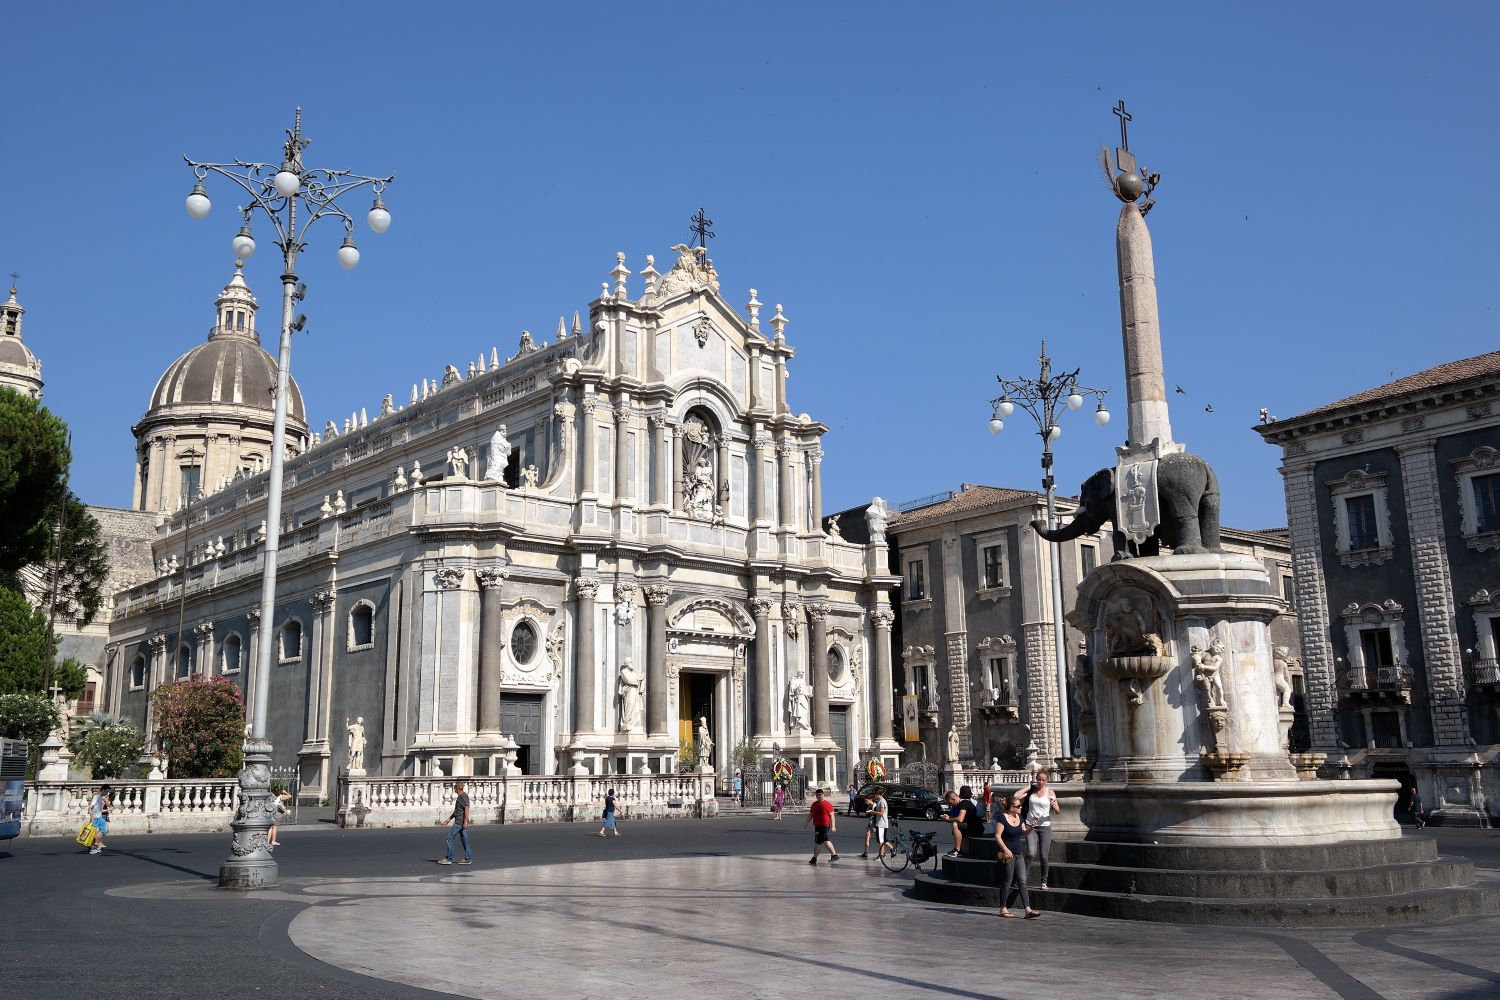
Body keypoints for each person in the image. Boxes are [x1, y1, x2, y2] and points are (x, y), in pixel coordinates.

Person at [995, 793, 1039, 918]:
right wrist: (1005, 849)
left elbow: (1024, 833)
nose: (1020, 807)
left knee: (1022, 880)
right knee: (1007, 881)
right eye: (1018, 806)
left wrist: (1031, 828)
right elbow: (997, 836)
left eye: (1020, 805)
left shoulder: (1020, 817)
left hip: (1018, 854)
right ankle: (1003, 908)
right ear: (1011, 808)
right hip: (1007, 854)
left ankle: (1028, 909)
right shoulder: (1002, 818)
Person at [1023, 769, 1061, 890]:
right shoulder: (1032, 791)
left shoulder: (1050, 793)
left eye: (1043, 780)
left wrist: (1055, 807)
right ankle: (1022, 877)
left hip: (1045, 827)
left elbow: (1057, 812)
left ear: (1047, 780)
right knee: (1031, 853)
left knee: (1044, 856)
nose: (1040, 782)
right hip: (1031, 826)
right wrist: (1027, 787)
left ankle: (1043, 882)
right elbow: (1015, 796)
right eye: (1038, 779)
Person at [435, 780, 472, 864]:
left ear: (457, 788)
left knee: (450, 838)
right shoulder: (462, 796)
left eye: (454, 787)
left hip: (459, 822)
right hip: (461, 821)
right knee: (464, 840)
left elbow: (466, 808)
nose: (454, 789)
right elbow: (457, 811)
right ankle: (468, 858)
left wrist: (465, 821)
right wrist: (449, 819)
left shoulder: (462, 796)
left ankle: (448, 858)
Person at [946, 785, 983, 858]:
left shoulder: (963, 803)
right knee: (955, 824)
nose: (950, 805)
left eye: (950, 803)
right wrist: (948, 817)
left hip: (976, 828)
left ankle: (957, 850)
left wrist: (948, 820)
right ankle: (957, 849)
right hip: (974, 826)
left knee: (955, 824)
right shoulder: (963, 803)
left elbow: (960, 819)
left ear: (953, 799)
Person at [805, 787, 840, 864]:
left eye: (820, 795)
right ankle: (834, 855)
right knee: (825, 840)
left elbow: (832, 816)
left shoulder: (827, 804)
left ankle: (814, 858)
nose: (819, 796)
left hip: (825, 825)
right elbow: (811, 815)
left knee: (818, 842)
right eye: (817, 795)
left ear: (823, 795)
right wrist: (806, 823)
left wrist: (833, 826)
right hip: (817, 826)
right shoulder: (814, 804)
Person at [859, 786, 891, 859]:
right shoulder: (879, 801)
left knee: (881, 840)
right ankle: (881, 853)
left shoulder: (882, 802)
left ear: (878, 794)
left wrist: (872, 812)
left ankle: (882, 854)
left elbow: (881, 813)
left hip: (881, 824)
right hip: (878, 823)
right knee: (881, 840)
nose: (874, 796)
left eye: (875, 794)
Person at [87, 784, 111, 855]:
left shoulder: (100, 798)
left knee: (106, 830)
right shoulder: (96, 797)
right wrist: (91, 816)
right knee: (94, 834)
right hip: (95, 818)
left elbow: (99, 811)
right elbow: (89, 808)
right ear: (103, 790)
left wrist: (108, 810)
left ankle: (95, 845)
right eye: (106, 791)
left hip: (99, 818)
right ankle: (93, 847)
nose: (107, 793)